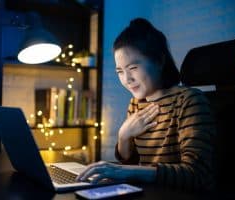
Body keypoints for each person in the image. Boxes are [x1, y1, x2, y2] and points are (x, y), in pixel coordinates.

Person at [76, 18, 216, 191]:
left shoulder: (189, 100)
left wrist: (128, 171)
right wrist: (123, 136)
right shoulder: (136, 104)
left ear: (159, 60)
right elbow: (132, 165)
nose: (127, 80)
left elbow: (196, 174)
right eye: (120, 71)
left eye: (133, 68)